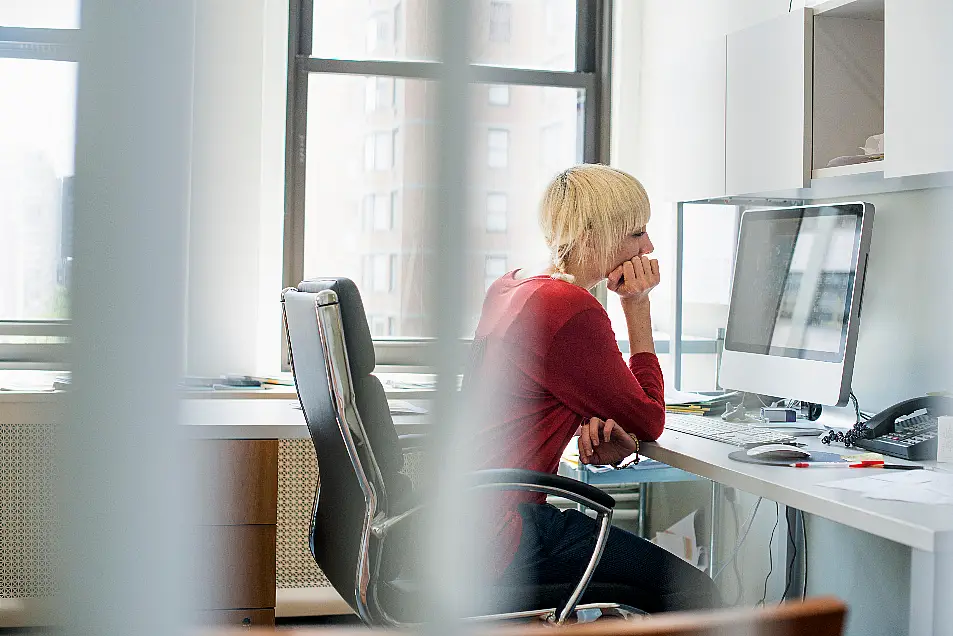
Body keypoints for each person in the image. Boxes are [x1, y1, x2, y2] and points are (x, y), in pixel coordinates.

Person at [465, 164, 719, 613]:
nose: (650, 246)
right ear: (593, 236)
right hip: (503, 537)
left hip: (466, 521)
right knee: (694, 591)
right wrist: (636, 304)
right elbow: (650, 420)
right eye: (636, 233)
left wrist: (595, 421)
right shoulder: (566, 307)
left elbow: (541, 391)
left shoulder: (512, 286)